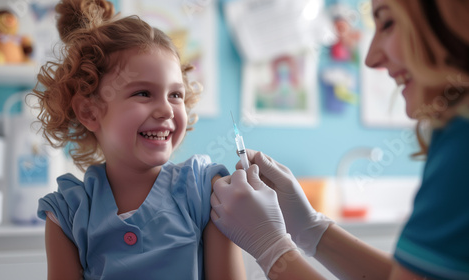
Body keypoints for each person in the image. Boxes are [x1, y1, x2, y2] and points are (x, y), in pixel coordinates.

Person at [211, 0, 469, 279]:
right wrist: (309, 229)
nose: (370, 59)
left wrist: (271, 249)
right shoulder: (454, 137)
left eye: (388, 22)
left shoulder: (461, 147)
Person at [33, 0, 246, 279]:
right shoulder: (67, 214)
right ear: (89, 111)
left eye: (175, 95)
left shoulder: (207, 192)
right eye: (143, 93)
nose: (167, 109)